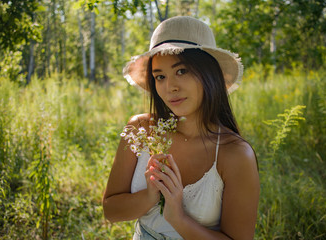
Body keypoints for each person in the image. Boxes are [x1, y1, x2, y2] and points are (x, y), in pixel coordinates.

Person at [102, 16, 260, 240]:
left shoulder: (234, 154)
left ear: (209, 74)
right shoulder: (140, 130)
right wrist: (149, 196)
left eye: (182, 71)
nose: (170, 87)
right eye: (160, 77)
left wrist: (178, 218)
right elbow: (110, 211)